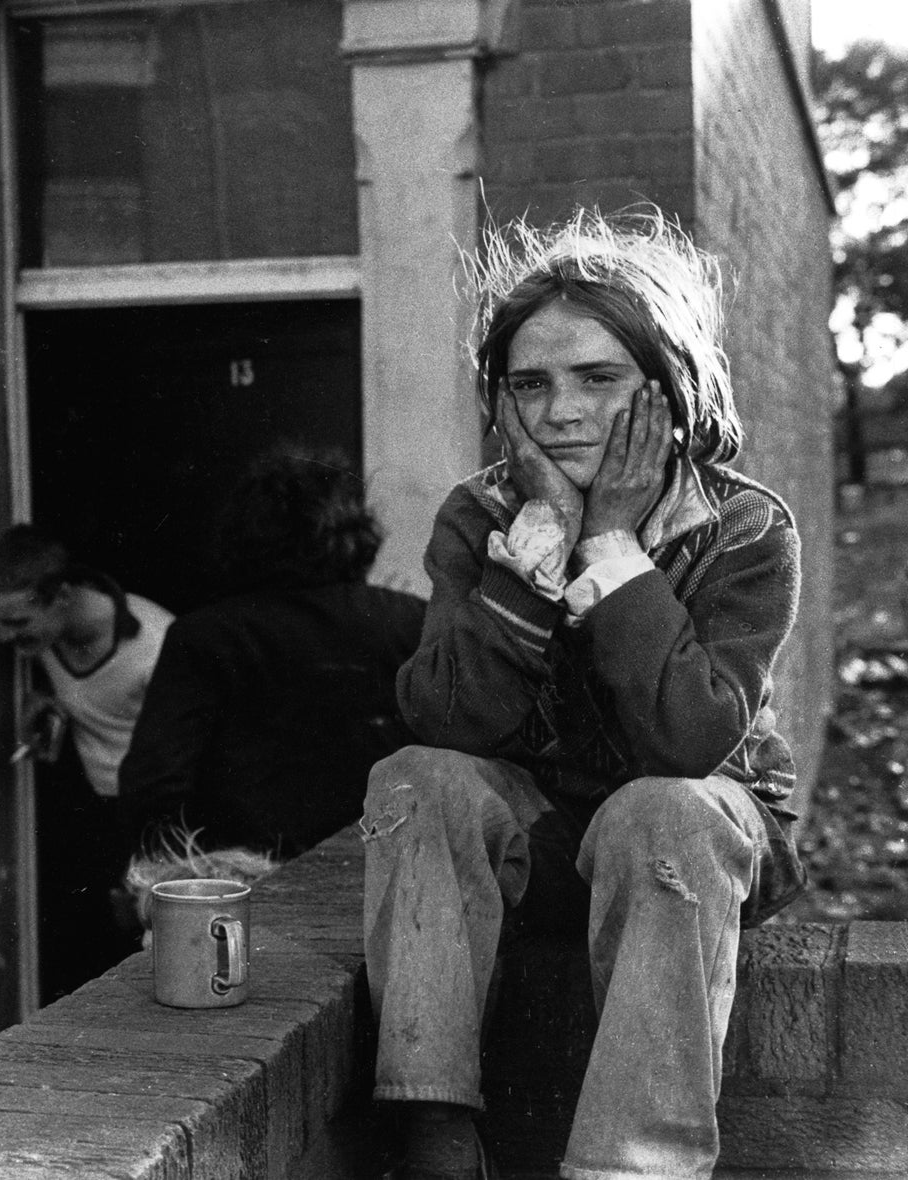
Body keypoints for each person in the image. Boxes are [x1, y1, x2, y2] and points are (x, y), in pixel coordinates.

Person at [365, 208, 806, 1180]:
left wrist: (610, 543)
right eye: (532, 383)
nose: (561, 411)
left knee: (661, 809)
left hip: (696, 842)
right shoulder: (480, 516)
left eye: (599, 379)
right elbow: (449, 719)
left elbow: (689, 738)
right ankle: (434, 1129)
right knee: (418, 776)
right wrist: (534, 554)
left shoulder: (741, 528)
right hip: (553, 842)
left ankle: (632, 1166)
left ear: (670, 387)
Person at [118, 446, 425, 859]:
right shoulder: (411, 621)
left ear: (244, 533)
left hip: (250, 880)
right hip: (388, 871)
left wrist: (167, 878)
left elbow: (153, 784)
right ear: (356, 531)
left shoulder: (205, 636)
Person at [0, 524, 173, 1001]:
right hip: (91, 807)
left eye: (17, 623)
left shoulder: (158, 643)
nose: (4, 638)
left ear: (62, 596)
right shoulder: (47, 637)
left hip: (154, 816)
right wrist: (44, 700)